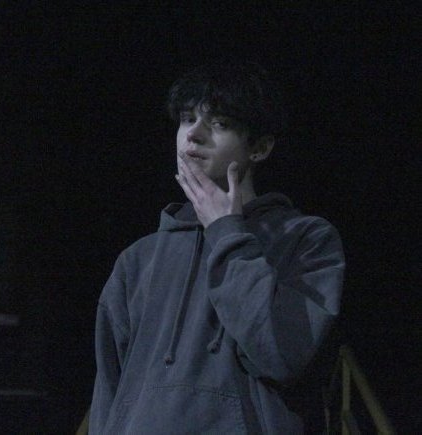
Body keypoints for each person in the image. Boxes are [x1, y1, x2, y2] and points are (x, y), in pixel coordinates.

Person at [89, 62, 345, 434]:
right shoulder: (138, 260)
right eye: (187, 119)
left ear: (260, 148)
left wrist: (226, 233)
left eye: (219, 123)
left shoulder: (306, 239)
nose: (194, 134)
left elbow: (282, 354)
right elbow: (108, 392)